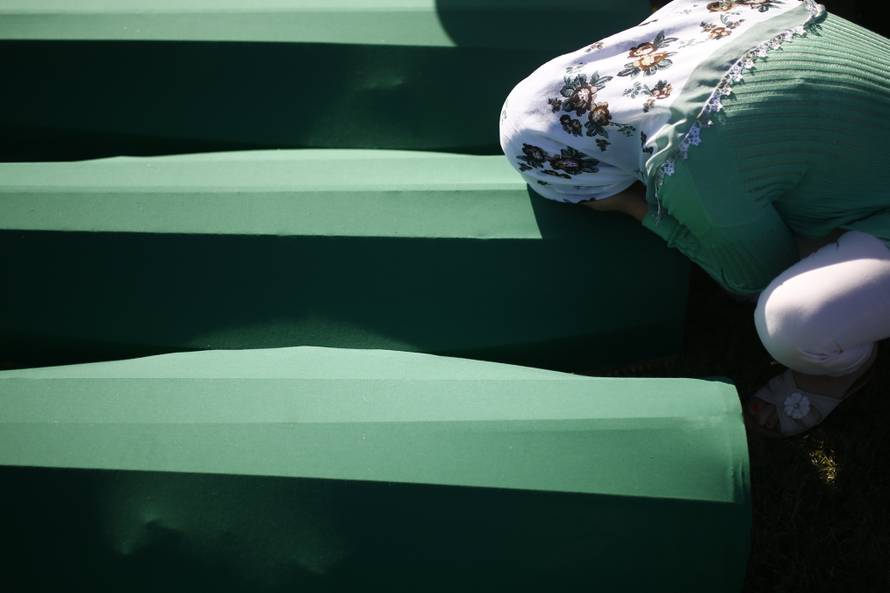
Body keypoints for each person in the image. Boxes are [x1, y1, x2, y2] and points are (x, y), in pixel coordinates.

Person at [499, 0, 890, 437]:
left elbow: (754, 274)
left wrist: (634, 206)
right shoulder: (705, 9)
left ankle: (836, 371)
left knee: (791, 321)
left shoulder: (684, 161)